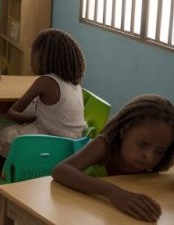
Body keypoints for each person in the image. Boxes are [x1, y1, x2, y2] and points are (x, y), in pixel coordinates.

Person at [52, 94, 174, 222]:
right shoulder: (104, 146)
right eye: (143, 144)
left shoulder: (155, 163)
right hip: (82, 213)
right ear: (124, 130)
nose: (149, 158)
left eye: (159, 152)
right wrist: (112, 192)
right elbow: (60, 170)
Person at [0, 28, 88, 175]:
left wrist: (37, 117)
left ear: (46, 57)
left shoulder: (45, 81)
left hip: (43, 144)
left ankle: (9, 181)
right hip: (70, 149)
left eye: (33, 53)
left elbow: (13, 112)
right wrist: (42, 117)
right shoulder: (75, 84)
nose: (30, 59)